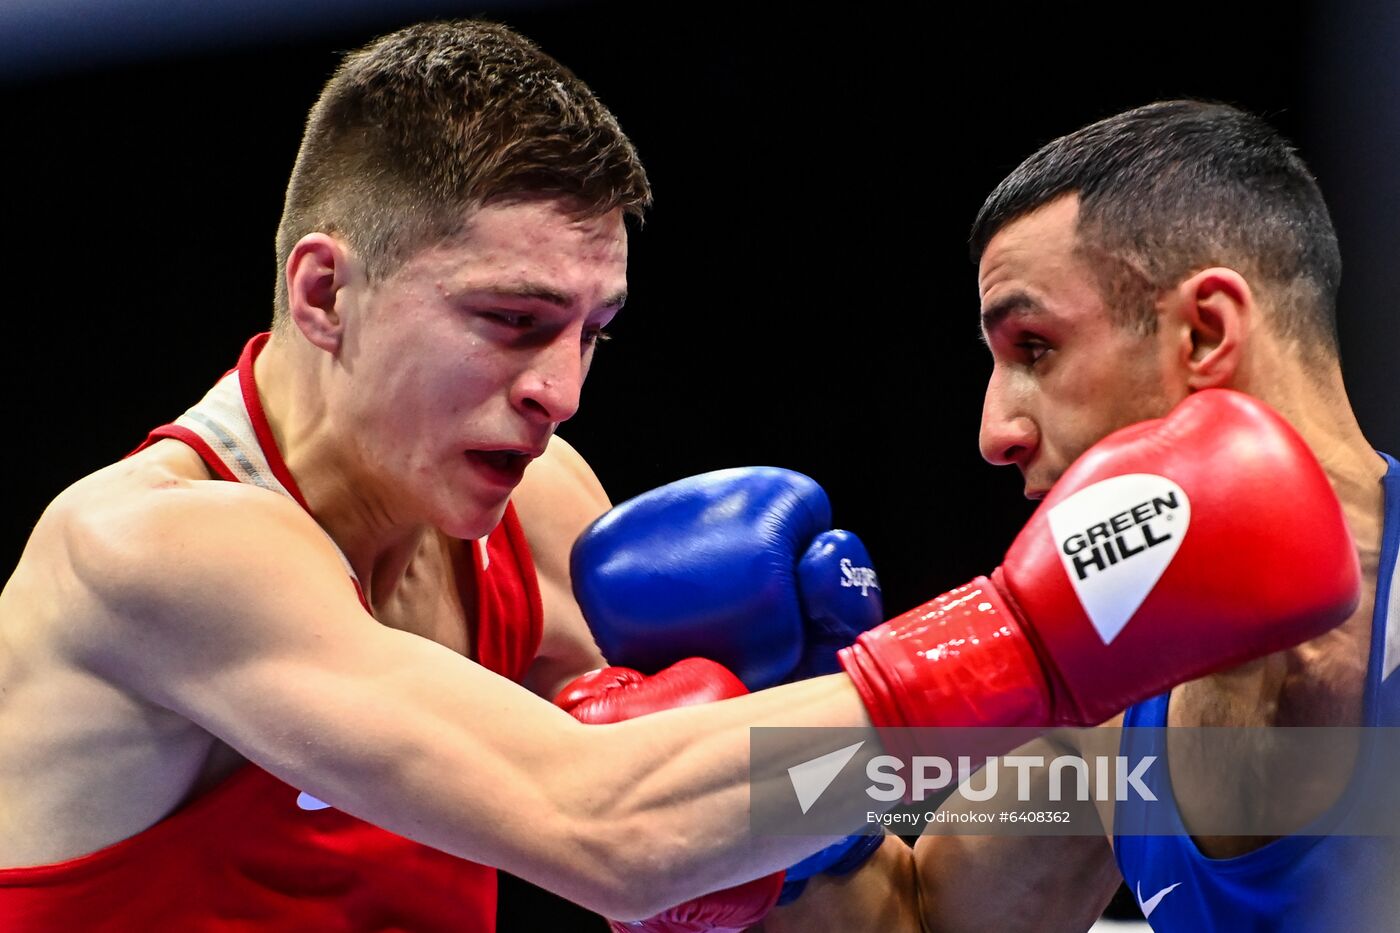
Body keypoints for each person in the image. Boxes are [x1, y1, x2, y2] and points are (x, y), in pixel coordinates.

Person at [0, 21, 1361, 931]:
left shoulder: (531, 515)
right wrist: (1015, 640)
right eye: (513, 321)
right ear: (321, 292)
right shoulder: (153, 553)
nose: (561, 392)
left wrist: (803, 773)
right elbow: (609, 825)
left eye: (594, 332)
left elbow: (811, 865)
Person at [746, 99, 1400, 932]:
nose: (995, 433)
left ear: (1204, 333)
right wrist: (792, 813)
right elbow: (921, 918)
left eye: (1035, 348)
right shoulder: (1115, 692)